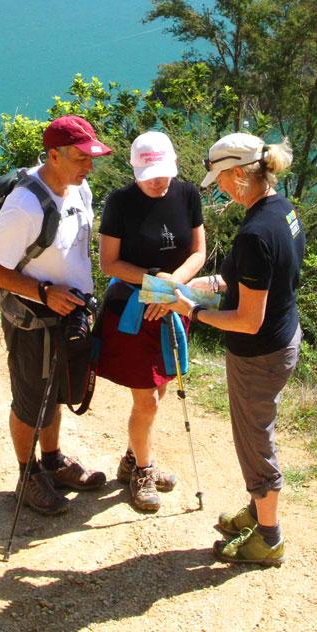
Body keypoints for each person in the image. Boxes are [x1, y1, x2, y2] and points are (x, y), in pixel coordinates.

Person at [172, 132, 304, 567]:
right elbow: (248, 281)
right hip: (283, 339)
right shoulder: (281, 211)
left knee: (253, 441)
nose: (221, 188)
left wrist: (192, 312)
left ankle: (268, 538)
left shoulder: (254, 233)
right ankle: (256, 508)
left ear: (242, 173)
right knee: (254, 433)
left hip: (259, 353)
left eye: (223, 179)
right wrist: (190, 288)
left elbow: (248, 320)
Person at [0, 115, 112, 515]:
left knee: (58, 391)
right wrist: (44, 293)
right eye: (81, 158)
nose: (90, 166)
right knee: (32, 399)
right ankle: (27, 473)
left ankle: (52, 460)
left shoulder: (77, 188)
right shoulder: (25, 206)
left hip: (68, 312)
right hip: (33, 317)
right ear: (53, 155)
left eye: (91, 157)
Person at [96, 130, 207, 513]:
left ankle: (131, 459)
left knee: (158, 390)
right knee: (147, 398)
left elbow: (198, 251)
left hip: (172, 305)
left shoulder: (188, 194)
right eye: (150, 175)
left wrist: (170, 287)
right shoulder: (120, 202)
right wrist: (155, 288)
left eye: (165, 173)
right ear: (135, 171)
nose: (159, 181)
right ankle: (143, 469)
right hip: (133, 309)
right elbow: (109, 263)